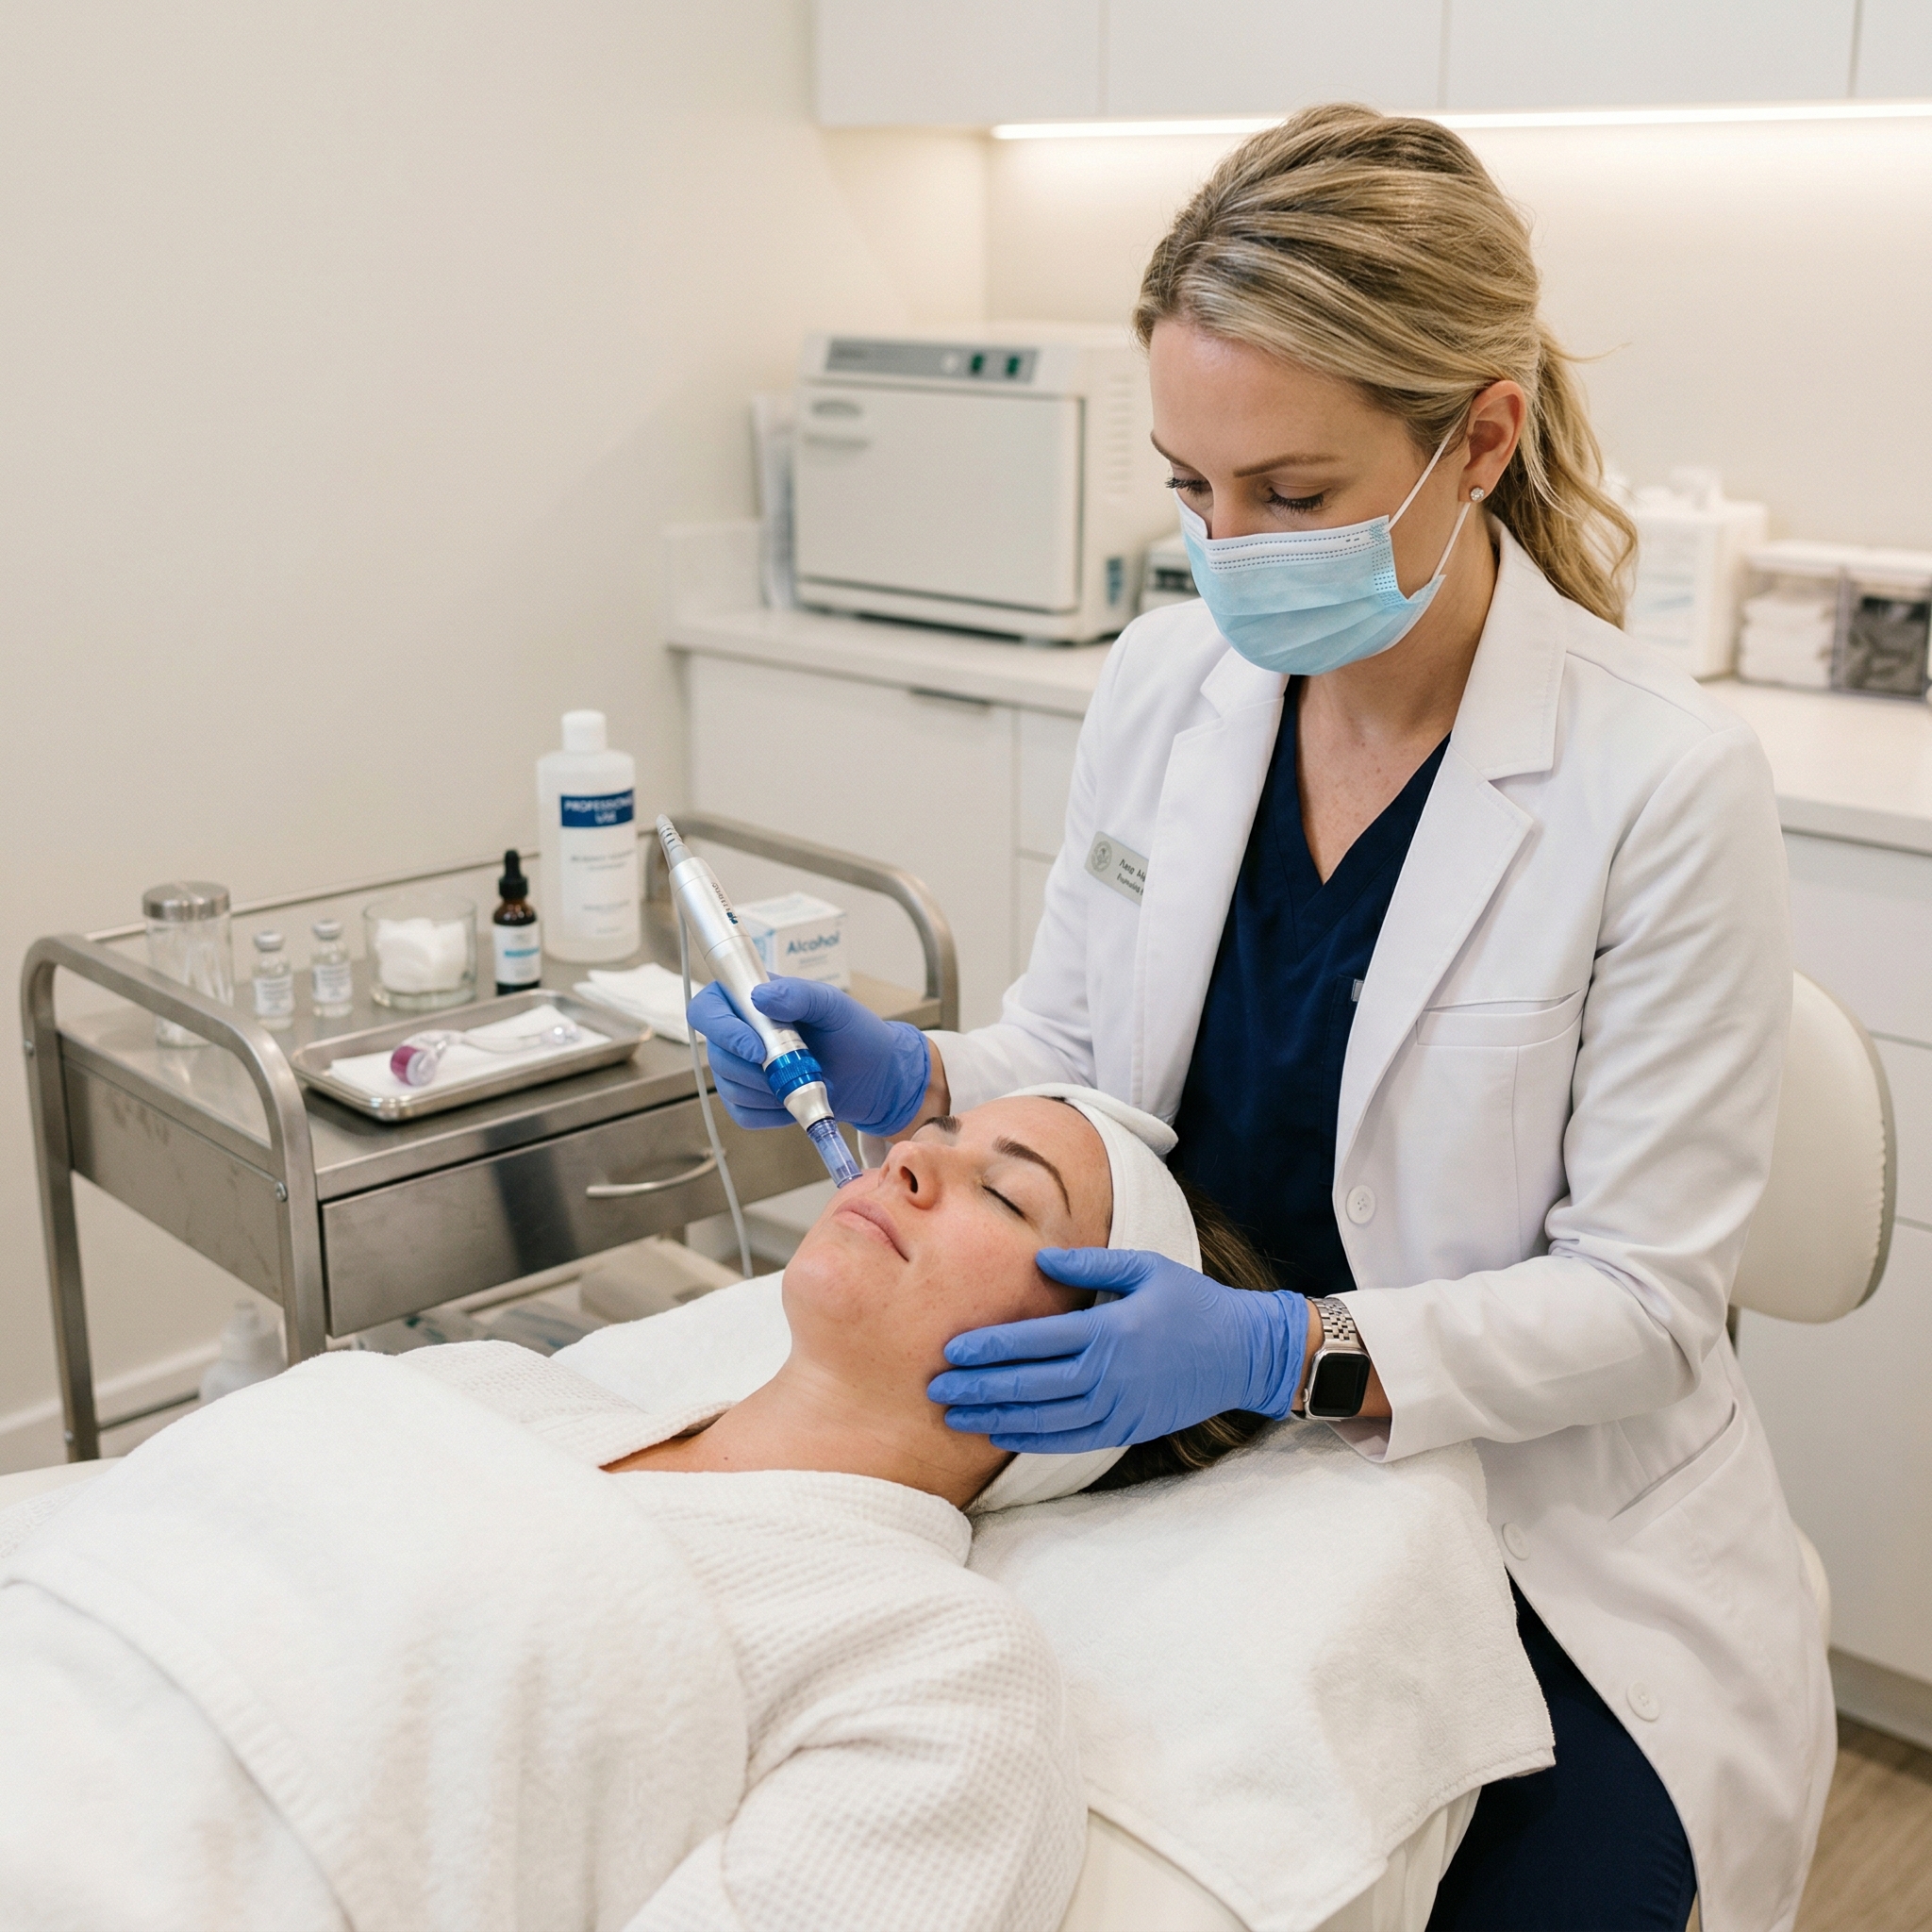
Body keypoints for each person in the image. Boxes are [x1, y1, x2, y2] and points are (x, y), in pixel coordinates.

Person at [688, 105, 1833, 1932]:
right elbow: (1068, 1063)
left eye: (1289, 496)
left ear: (1480, 433)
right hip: (1179, 1453)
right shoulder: (1164, 683)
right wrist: (914, 1068)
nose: (1225, 550)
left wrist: (1278, 1349)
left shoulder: (1656, 779)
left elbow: (1640, 1299)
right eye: (1187, 488)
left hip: (1516, 1496)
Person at [0, 1091, 1254, 1932]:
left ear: (1087, 1378)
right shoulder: (503, 1391)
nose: (910, 1156)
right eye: (942, 1132)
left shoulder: (937, 1666)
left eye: (1008, 1194)